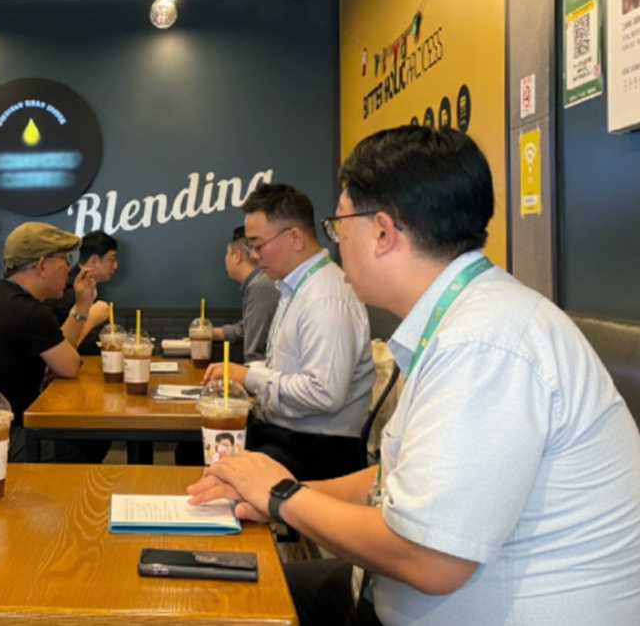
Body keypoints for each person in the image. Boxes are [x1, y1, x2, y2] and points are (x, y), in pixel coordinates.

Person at [189, 125, 640, 626]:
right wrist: (278, 491)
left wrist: (282, 497)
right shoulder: (462, 319)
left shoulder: (484, 341)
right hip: (385, 591)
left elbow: (431, 559)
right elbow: (392, 479)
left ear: (383, 232)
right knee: (220, 593)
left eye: (339, 226)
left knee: (220, 610)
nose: (336, 245)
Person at [203, 183, 374, 481]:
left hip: (318, 450)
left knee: (208, 462)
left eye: (257, 245)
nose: (254, 256)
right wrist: (243, 376)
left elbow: (324, 394)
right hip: (291, 435)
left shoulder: (325, 297)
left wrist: (250, 377)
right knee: (200, 449)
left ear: (295, 237)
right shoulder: (296, 287)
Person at [0, 222, 102, 462]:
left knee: (84, 437)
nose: (68, 269)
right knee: (90, 442)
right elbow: (70, 367)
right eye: (65, 260)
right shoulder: (29, 311)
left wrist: (81, 305)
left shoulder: (6, 298)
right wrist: (83, 308)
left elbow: (60, 360)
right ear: (42, 265)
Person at [210, 225, 280, 362]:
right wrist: (208, 333)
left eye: (227, 253)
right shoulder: (260, 283)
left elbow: (254, 354)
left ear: (237, 256)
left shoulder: (261, 286)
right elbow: (247, 329)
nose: (225, 259)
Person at [44, 230, 119, 348]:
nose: (115, 266)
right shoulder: (64, 292)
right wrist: (93, 317)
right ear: (94, 260)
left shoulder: (90, 287)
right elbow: (56, 348)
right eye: (111, 259)